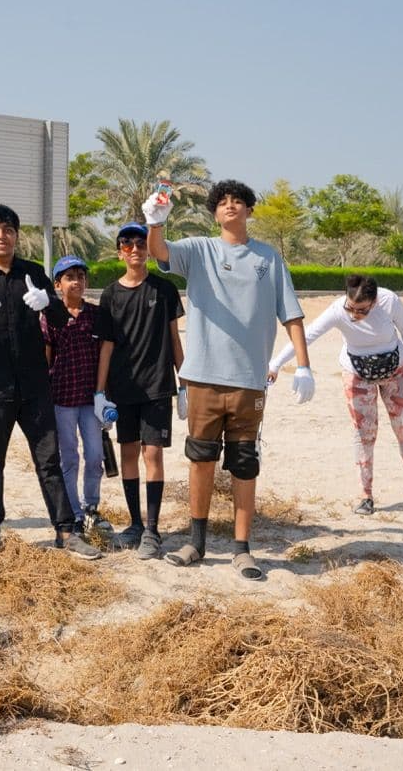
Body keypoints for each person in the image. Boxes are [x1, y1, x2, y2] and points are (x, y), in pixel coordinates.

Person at [145, 179, 312, 581]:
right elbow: (160, 253)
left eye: (239, 201)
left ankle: (242, 549)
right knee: (200, 460)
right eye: (223, 202)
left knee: (243, 464)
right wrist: (155, 223)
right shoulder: (200, 250)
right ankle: (196, 543)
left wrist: (303, 366)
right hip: (203, 377)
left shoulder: (269, 259)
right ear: (214, 212)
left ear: (250, 211)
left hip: (249, 381)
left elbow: (291, 315)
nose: (231, 206)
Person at [0, 204, 101, 559]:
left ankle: (65, 531)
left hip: (34, 386)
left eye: (9, 230)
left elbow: (60, 321)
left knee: (49, 459)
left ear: (17, 235)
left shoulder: (34, 273)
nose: (2, 236)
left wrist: (47, 303)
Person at [268, 274, 403, 515]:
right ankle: (366, 496)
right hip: (357, 374)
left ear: (374, 302)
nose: (354, 315)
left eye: (362, 310)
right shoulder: (338, 310)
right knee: (364, 434)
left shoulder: (390, 302)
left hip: (396, 371)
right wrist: (275, 364)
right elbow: (308, 335)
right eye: (351, 308)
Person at [93, 223, 186, 559]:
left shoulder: (165, 290)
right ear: (120, 251)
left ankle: (153, 529)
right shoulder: (110, 295)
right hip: (122, 388)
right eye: (127, 244)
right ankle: (134, 523)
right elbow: (106, 346)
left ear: (148, 249)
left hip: (157, 387)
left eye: (140, 243)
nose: (135, 249)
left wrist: (184, 383)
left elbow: (175, 339)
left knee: (153, 455)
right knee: (128, 453)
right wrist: (99, 393)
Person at [40, 255, 109, 534]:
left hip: (90, 400)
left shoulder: (96, 315)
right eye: (69, 277)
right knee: (69, 458)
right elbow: (45, 359)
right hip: (62, 401)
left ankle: (91, 506)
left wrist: (103, 395)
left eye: (81, 276)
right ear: (58, 284)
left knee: (94, 457)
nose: (76, 282)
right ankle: (74, 513)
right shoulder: (49, 318)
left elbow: (105, 354)